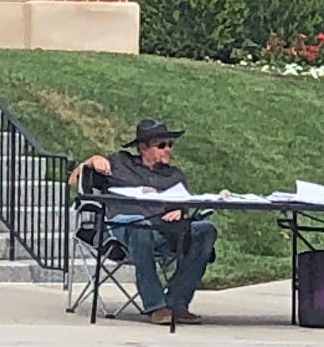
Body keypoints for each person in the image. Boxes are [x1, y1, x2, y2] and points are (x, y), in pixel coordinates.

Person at [68, 118, 218, 325]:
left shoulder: (174, 176)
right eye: (162, 145)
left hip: (164, 230)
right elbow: (74, 181)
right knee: (140, 226)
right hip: (120, 228)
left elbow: (183, 203)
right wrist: (91, 161)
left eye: (170, 145)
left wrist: (179, 210)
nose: (168, 150)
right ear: (143, 147)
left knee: (206, 230)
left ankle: (176, 303)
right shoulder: (120, 163)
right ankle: (156, 306)